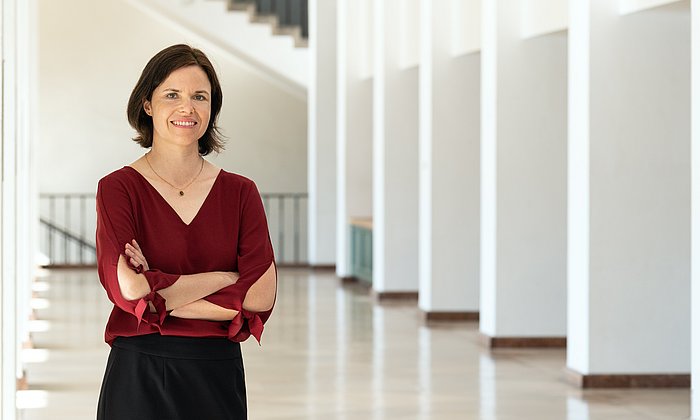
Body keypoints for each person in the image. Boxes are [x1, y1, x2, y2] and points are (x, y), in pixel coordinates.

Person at [95, 44, 277, 420]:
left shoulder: (241, 192)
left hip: (216, 374)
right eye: (172, 95)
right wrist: (227, 278)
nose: (187, 108)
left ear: (212, 108)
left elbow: (259, 296)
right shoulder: (118, 188)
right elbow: (129, 289)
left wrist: (159, 293)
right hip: (138, 373)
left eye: (199, 96)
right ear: (147, 104)